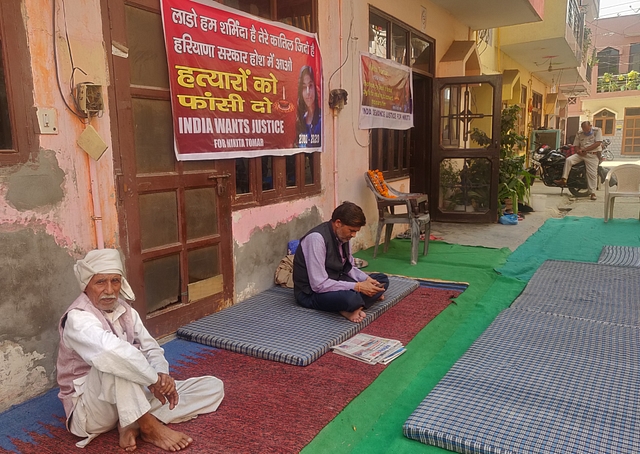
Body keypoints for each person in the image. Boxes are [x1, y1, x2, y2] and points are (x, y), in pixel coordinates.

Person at [56, 249, 224, 451]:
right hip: (92, 412)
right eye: (100, 282)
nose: (109, 290)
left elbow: (150, 346)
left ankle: (131, 422)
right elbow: (113, 354)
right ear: (86, 285)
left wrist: (161, 376)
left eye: (115, 281)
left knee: (212, 386)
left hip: (131, 395)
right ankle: (149, 426)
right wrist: (152, 380)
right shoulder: (77, 318)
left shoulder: (126, 311)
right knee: (114, 361)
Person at [293, 202, 389, 323]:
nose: (353, 235)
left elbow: (349, 268)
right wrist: (358, 287)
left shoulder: (343, 236)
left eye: (356, 231)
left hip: (336, 280)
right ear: (338, 223)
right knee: (350, 298)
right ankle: (351, 306)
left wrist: (366, 280)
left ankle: (353, 307)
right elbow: (318, 285)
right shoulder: (316, 239)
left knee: (382, 280)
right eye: (351, 230)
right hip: (311, 293)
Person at [554, 121, 602, 200]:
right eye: (584, 130)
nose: (585, 131)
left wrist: (585, 150)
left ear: (590, 126)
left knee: (592, 174)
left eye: (587, 129)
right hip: (581, 154)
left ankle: (592, 193)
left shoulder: (597, 131)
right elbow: (576, 145)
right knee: (569, 160)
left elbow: (598, 143)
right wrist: (578, 151)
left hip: (592, 155)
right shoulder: (579, 133)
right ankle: (564, 179)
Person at [295, 65, 321, 148]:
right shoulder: (301, 120)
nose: (308, 92)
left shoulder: (322, 120)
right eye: (304, 87)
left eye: (310, 86)